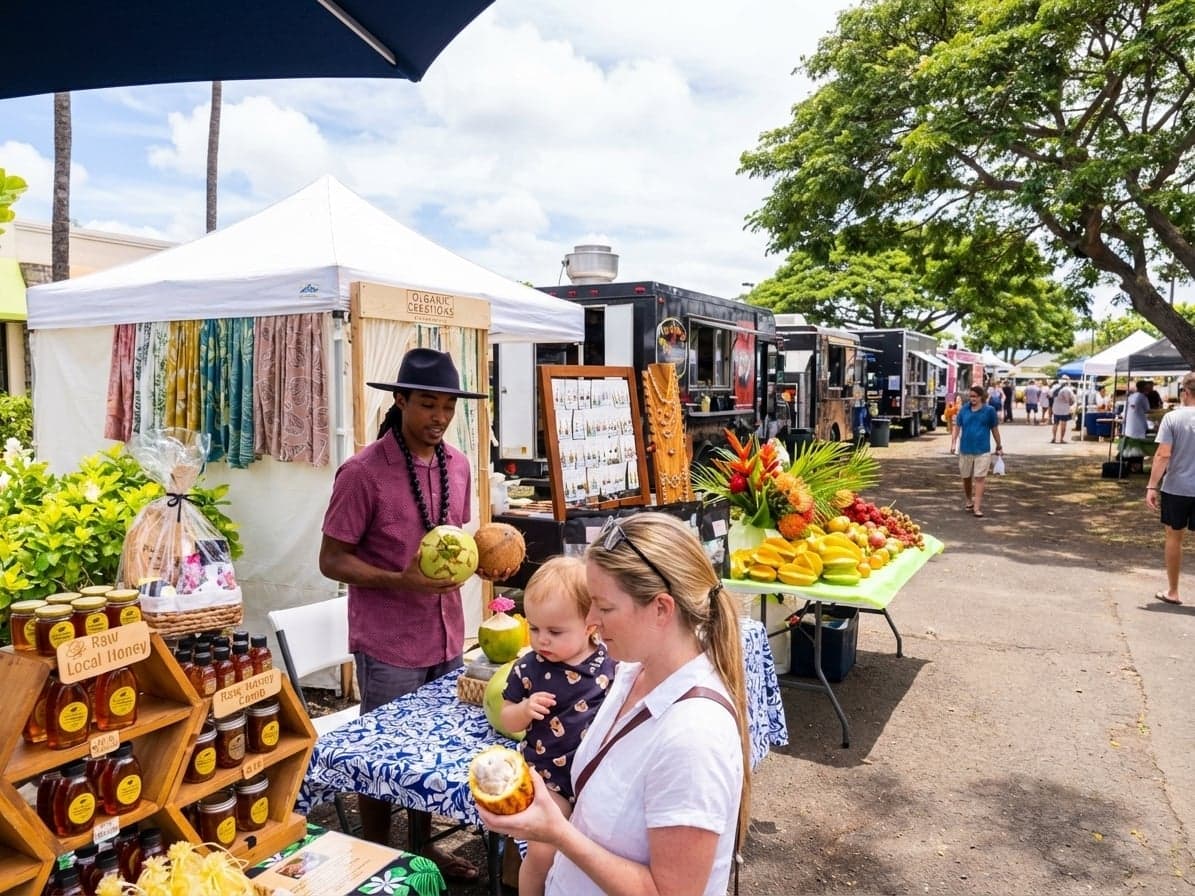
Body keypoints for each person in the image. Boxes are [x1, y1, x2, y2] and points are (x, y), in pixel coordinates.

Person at [477, 513, 750, 896]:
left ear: (661, 608)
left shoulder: (694, 738)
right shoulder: (629, 673)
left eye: (603, 608)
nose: (590, 620)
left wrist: (556, 832)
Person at [318, 347, 487, 883]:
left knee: (430, 753)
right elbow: (331, 560)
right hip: (388, 641)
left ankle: (421, 854)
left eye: (447, 406)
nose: (438, 417)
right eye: (427, 404)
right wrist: (402, 580)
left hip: (447, 636)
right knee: (381, 758)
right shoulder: (362, 472)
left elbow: (455, 539)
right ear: (401, 401)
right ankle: (377, 859)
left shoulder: (458, 466)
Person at [499, 556, 617, 896]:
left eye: (554, 631)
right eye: (534, 628)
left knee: (599, 850)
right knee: (543, 851)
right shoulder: (530, 667)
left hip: (597, 777)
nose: (542, 641)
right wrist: (523, 710)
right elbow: (505, 716)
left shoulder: (609, 663)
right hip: (550, 777)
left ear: (590, 625)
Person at [1145, 371, 1195, 605]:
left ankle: (1173, 591)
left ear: (1185, 392)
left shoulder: (1173, 418)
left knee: (1174, 537)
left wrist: (1151, 486)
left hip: (1177, 488)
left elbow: (1163, 454)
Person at [955, 385, 1003, 518]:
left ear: (981, 397)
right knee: (966, 477)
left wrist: (999, 445)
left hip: (983, 450)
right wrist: (953, 443)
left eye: (975, 396)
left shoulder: (989, 411)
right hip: (965, 449)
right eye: (970, 396)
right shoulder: (964, 410)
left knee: (980, 478)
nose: (972, 399)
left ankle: (977, 507)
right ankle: (969, 499)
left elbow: (994, 429)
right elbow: (957, 426)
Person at [1050, 376, 1076, 444]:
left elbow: (1050, 395)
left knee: (1055, 424)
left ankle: (1054, 438)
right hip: (1064, 410)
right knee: (1063, 424)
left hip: (1056, 408)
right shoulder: (1068, 389)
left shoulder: (1055, 387)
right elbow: (1072, 399)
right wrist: (1070, 403)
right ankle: (1061, 439)